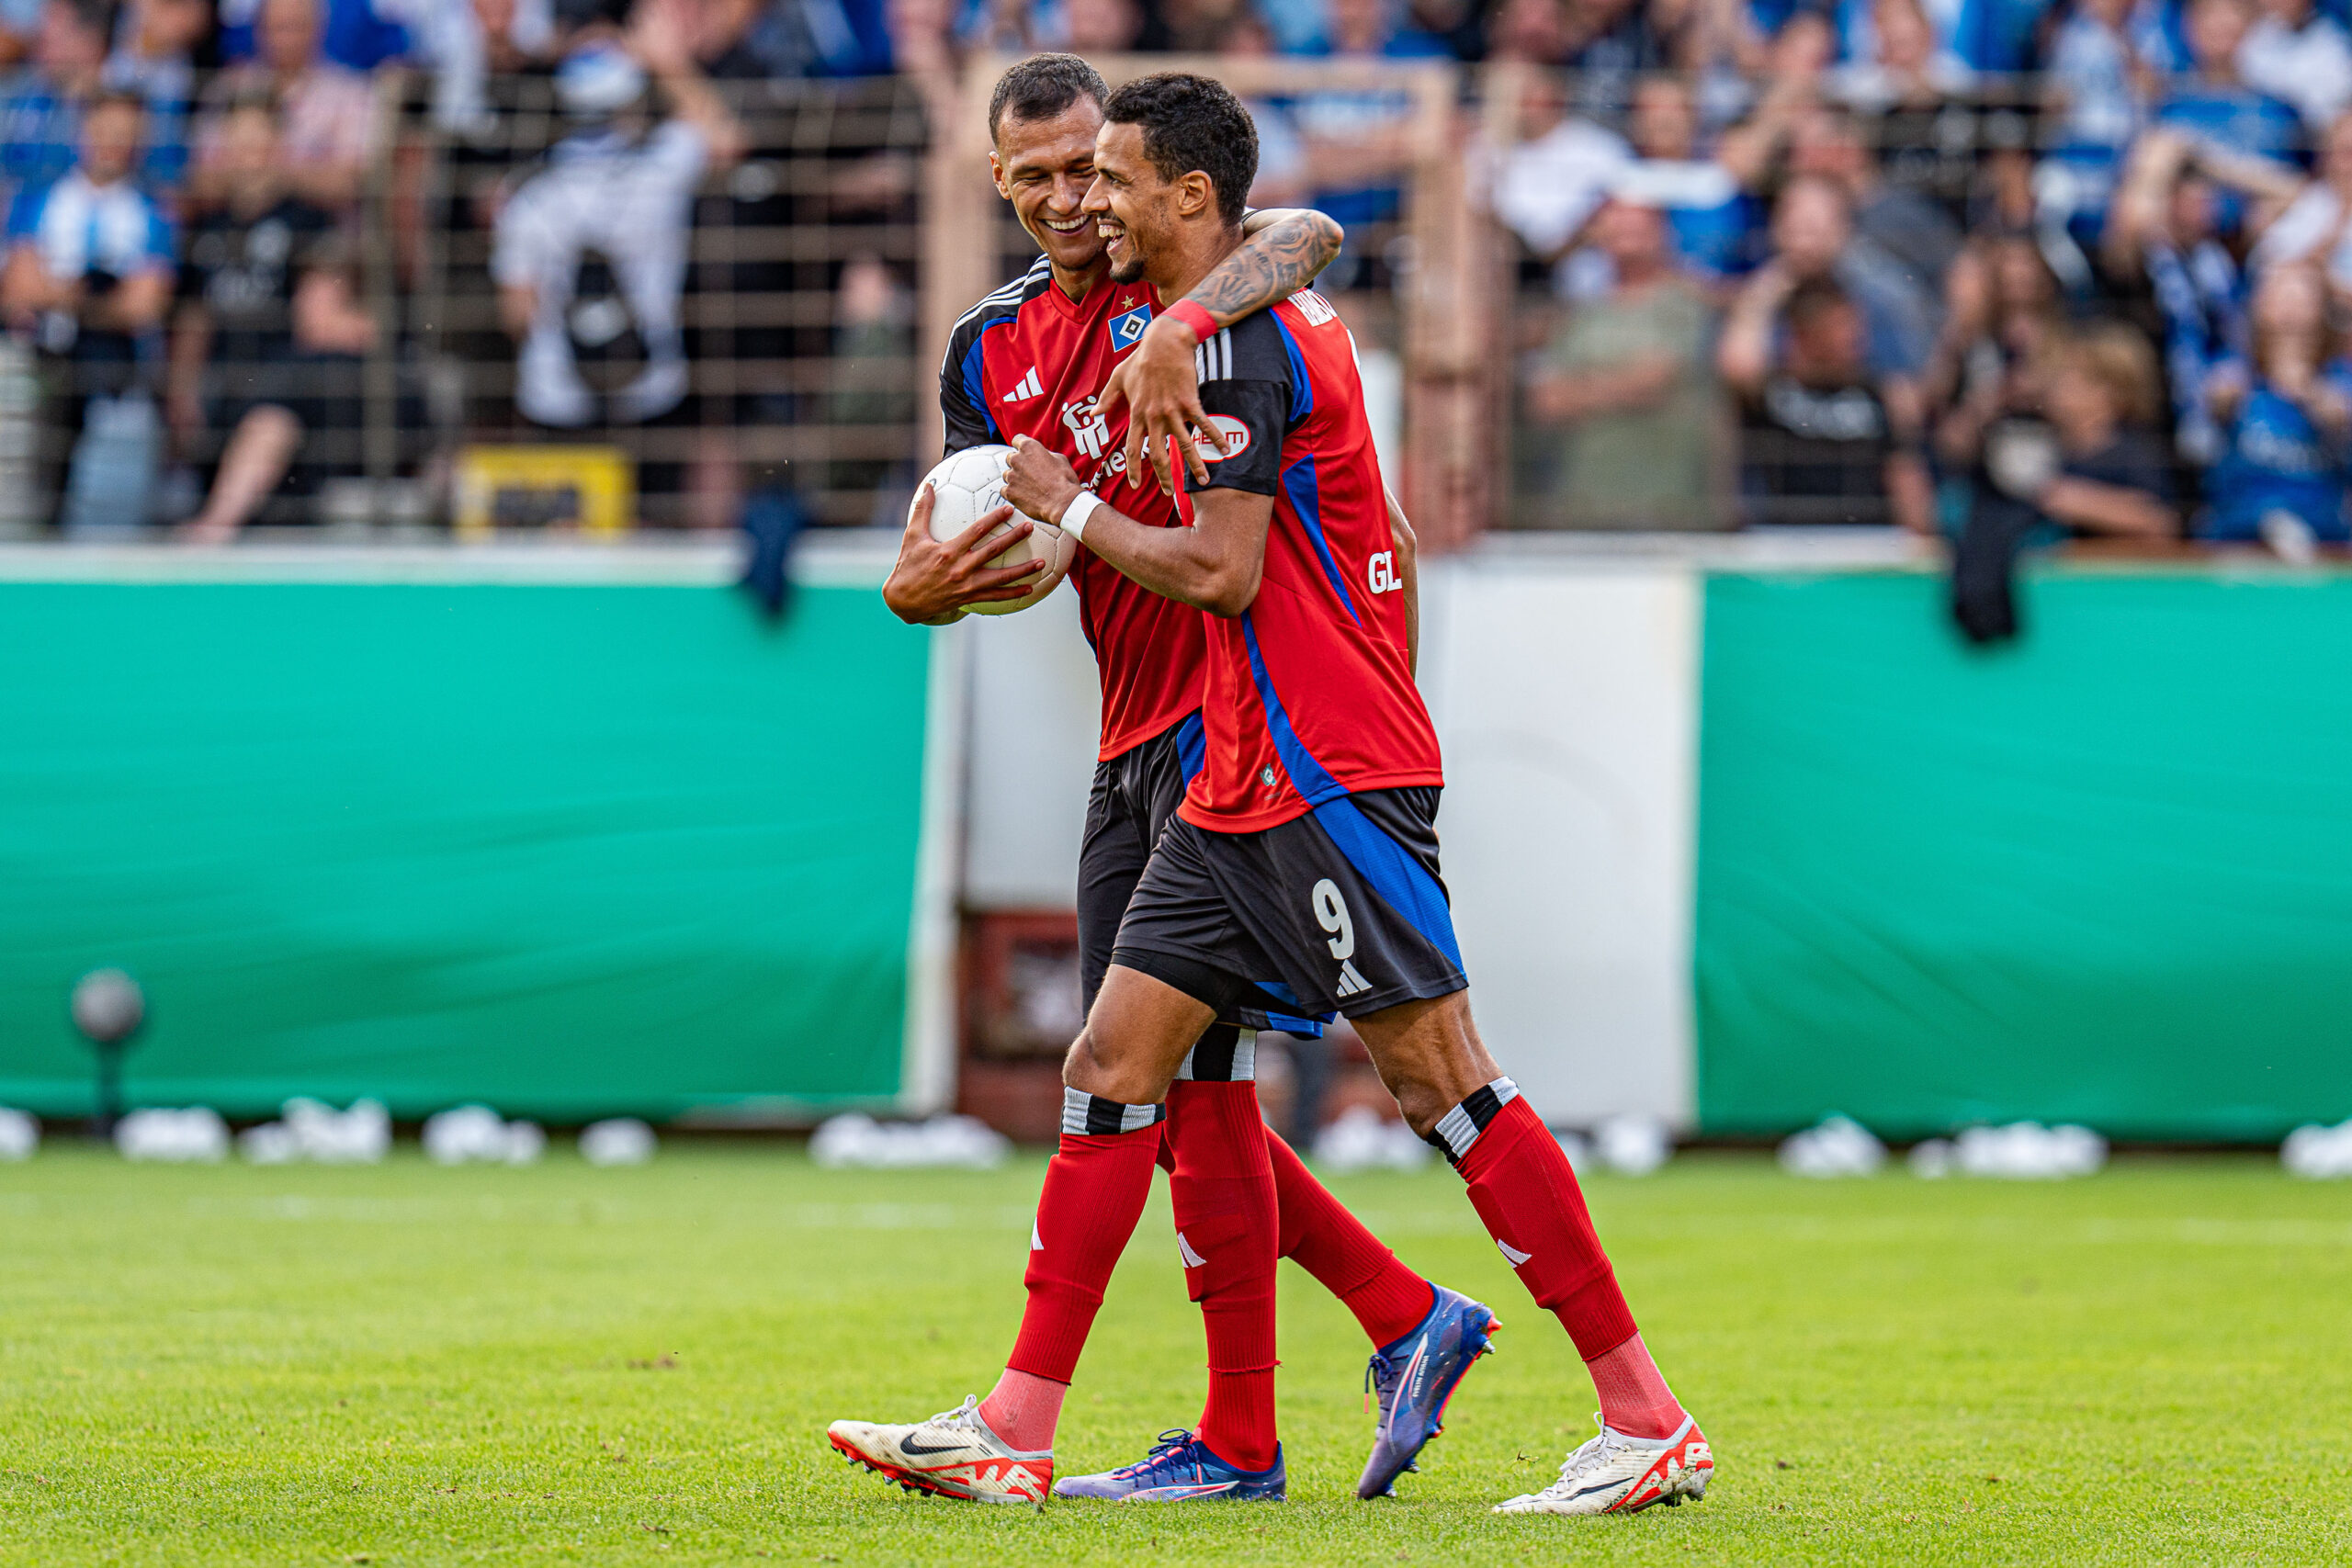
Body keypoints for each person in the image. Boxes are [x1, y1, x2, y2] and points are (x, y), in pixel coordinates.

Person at [838, 70, 1713, 1521]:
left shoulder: (1222, 320)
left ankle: (1636, 1408)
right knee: (1128, 1068)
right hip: (1220, 750)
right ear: (998, 185)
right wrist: (916, 585)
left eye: (1103, 171)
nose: (1082, 199)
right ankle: (1048, 1423)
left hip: (1299, 752)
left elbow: (1278, 301)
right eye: (1050, 177)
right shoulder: (1008, 344)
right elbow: (993, 520)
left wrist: (1371, 714)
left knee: (1436, 1076)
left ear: (1172, 194)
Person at [168, 96, 370, 539]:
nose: (249, 156)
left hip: (288, 382)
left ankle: (213, 530)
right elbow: (194, 315)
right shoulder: (210, 227)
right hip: (223, 379)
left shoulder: (309, 220)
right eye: (238, 144)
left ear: (280, 147)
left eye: (259, 143)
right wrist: (181, 390)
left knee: (273, 411)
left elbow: (323, 310)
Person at [1525, 190, 1723, 528]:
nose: (1625, 233)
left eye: (1637, 223)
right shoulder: (1583, 313)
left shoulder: (1684, 304)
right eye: (1616, 223)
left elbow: (1651, 382)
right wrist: (1619, 386)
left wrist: (1579, 392)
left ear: (1661, 233)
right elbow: (1545, 402)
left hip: (1669, 508)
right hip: (1584, 506)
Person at [1728, 276, 1936, 527]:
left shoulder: (1880, 393)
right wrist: (1769, 288)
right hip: (1788, 542)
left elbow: (1903, 471)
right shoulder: (1773, 391)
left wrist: (1922, 537)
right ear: (1807, 332)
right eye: (1841, 325)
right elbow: (1737, 367)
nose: (1855, 335)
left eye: (1856, 324)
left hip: (1869, 541)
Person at [2198, 262, 2352, 547]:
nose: (2289, 307)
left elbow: (2339, 414)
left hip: (2322, 528)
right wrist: (2229, 395)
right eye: (2279, 294)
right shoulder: (2234, 371)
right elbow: (2215, 403)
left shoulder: (2339, 378)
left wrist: (2307, 391)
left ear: (2321, 310)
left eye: (2300, 297)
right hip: (2241, 526)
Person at [191, 0, 379, 217]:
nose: (286, 39)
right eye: (278, 27)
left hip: (319, 238)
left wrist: (279, 175)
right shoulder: (228, 88)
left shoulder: (349, 94)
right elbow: (201, 181)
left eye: (296, 26)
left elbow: (354, 182)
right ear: (258, 29)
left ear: (319, 28)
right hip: (234, 232)